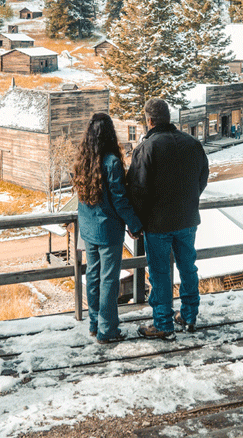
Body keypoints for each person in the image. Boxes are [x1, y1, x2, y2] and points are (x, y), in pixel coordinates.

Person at [127, 98, 209, 338]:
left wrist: (137, 221)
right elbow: (202, 177)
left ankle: (163, 324)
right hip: (187, 219)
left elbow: (137, 188)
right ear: (168, 118)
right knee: (188, 268)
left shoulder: (147, 148)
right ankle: (189, 315)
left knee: (160, 273)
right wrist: (191, 199)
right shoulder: (193, 144)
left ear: (149, 120)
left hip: (158, 223)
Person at [73, 113, 143, 344]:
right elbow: (120, 200)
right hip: (108, 229)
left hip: (88, 228)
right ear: (110, 133)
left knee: (92, 276)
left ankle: (95, 323)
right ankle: (107, 329)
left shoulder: (82, 160)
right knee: (109, 280)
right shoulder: (112, 162)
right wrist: (134, 224)